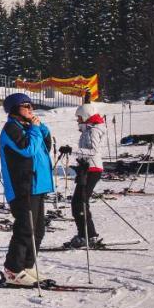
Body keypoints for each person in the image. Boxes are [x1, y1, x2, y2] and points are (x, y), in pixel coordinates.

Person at [0, 93, 54, 286]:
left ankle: (27, 266)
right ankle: (13, 270)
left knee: (37, 230)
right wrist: (36, 129)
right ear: (14, 109)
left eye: (31, 105)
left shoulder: (27, 127)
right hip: (22, 186)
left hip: (37, 185)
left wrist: (42, 128)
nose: (30, 108)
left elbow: (45, 147)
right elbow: (27, 149)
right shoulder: (11, 129)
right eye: (25, 106)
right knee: (25, 229)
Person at [65, 104, 106, 248]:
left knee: (80, 203)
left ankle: (87, 236)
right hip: (87, 169)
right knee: (79, 202)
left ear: (87, 115)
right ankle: (88, 235)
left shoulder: (93, 130)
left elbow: (93, 151)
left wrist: (73, 150)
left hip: (93, 169)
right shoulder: (87, 130)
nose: (78, 120)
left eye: (79, 117)